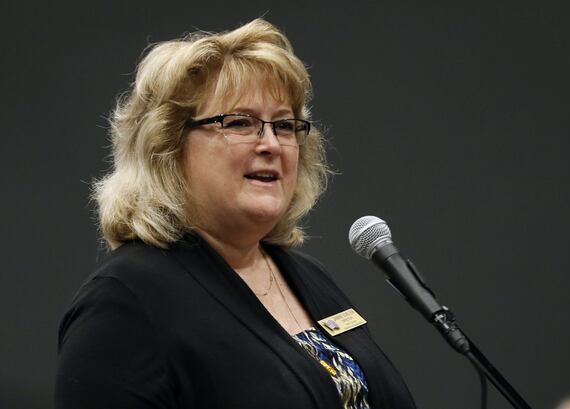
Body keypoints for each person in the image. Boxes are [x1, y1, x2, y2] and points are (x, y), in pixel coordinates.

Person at [55, 19, 417, 409]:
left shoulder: (308, 276)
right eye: (241, 123)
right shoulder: (125, 301)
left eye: (283, 125)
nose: (271, 144)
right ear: (169, 146)